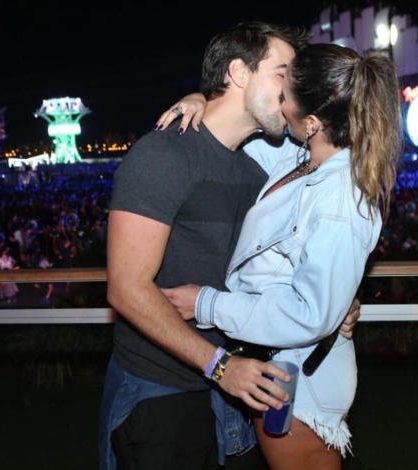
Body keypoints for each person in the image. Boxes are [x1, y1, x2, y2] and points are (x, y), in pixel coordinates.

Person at [99, 22, 361, 470]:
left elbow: (283, 259)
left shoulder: (262, 167)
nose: (293, 89)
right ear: (239, 72)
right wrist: (219, 366)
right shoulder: (163, 155)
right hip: (162, 394)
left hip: (238, 391)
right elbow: (126, 288)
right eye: (283, 74)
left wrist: (335, 298)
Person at [158, 43, 403, 470]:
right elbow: (228, 132)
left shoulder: (339, 199)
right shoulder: (300, 155)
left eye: (285, 93)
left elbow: (310, 313)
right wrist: (202, 99)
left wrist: (206, 304)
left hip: (302, 381)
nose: (277, 100)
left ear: (312, 122)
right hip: (280, 366)